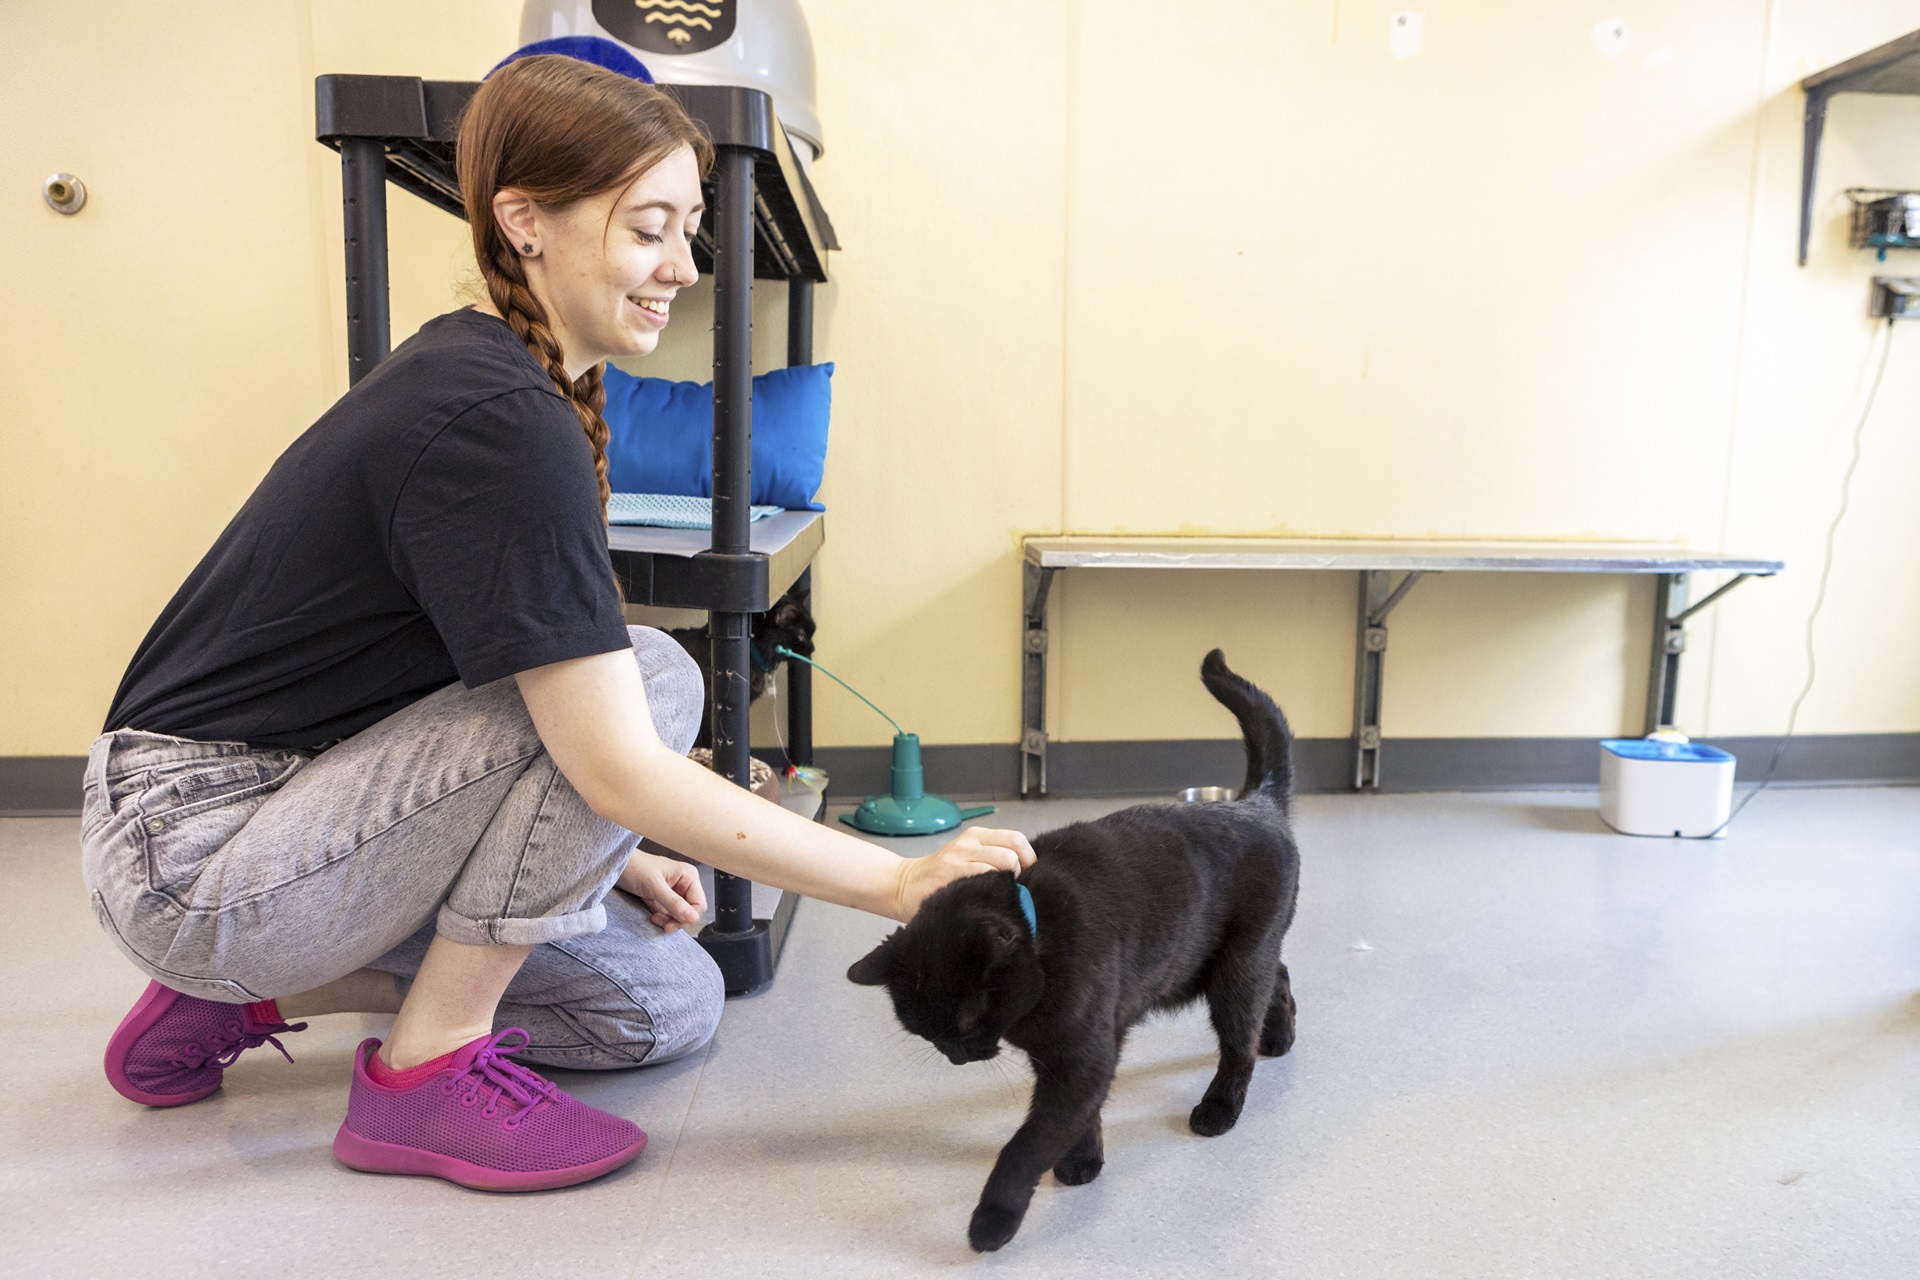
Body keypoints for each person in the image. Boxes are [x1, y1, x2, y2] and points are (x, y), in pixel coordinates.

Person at [79, 52, 1035, 1194]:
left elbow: (501, 725)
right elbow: (614, 760)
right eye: (649, 229)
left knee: (665, 1005)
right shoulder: (494, 416)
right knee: (656, 678)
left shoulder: (518, 386)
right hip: (194, 850)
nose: (684, 265)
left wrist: (608, 861)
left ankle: (240, 995)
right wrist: (898, 882)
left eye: (689, 228)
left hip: (300, 813)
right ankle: (423, 1071)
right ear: (524, 221)